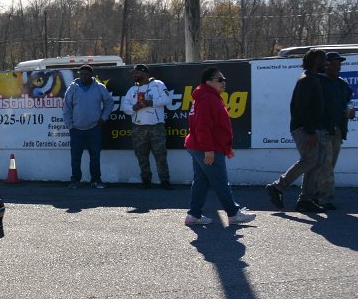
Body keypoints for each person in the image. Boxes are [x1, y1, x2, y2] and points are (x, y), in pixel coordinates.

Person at [183, 68, 255, 226]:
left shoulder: (206, 97)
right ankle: (234, 213)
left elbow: (215, 128)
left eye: (224, 79)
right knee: (220, 181)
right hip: (206, 147)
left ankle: (193, 215)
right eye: (220, 79)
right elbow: (203, 126)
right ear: (208, 82)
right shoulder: (208, 98)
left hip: (201, 146)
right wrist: (208, 149)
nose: (224, 82)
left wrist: (226, 147)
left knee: (201, 181)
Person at [264, 49, 331, 213]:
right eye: (324, 60)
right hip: (304, 129)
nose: (326, 63)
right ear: (316, 61)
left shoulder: (314, 79)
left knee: (316, 162)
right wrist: (310, 131)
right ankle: (278, 187)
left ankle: (306, 200)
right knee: (309, 161)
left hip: (314, 128)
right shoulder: (306, 80)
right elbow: (302, 108)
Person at [120, 64, 172, 189]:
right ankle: (146, 180)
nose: (134, 75)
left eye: (137, 73)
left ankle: (164, 181)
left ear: (145, 73)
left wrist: (151, 102)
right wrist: (134, 107)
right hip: (138, 127)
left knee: (160, 155)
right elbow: (124, 107)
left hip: (156, 126)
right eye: (133, 73)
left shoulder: (158, 84)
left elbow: (167, 99)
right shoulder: (132, 90)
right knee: (141, 155)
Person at [62, 64, 113, 188]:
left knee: (95, 156)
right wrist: (70, 124)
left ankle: (96, 180)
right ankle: (75, 180)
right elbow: (66, 107)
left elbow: (109, 102)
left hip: (94, 129)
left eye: (85, 74)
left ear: (91, 75)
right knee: (75, 157)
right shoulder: (73, 88)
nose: (83, 76)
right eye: (81, 74)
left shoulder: (99, 87)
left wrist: (103, 118)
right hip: (76, 129)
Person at [315, 52, 354, 210]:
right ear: (326, 65)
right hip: (323, 129)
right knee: (326, 165)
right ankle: (325, 198)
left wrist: (351, 110)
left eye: (339, 64)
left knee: (329, 164)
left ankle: (314, 195)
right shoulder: (318, 81)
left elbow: (348, 103)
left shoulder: (342, 84)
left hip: (338, 130)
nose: (336, 67)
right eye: (333, 64)